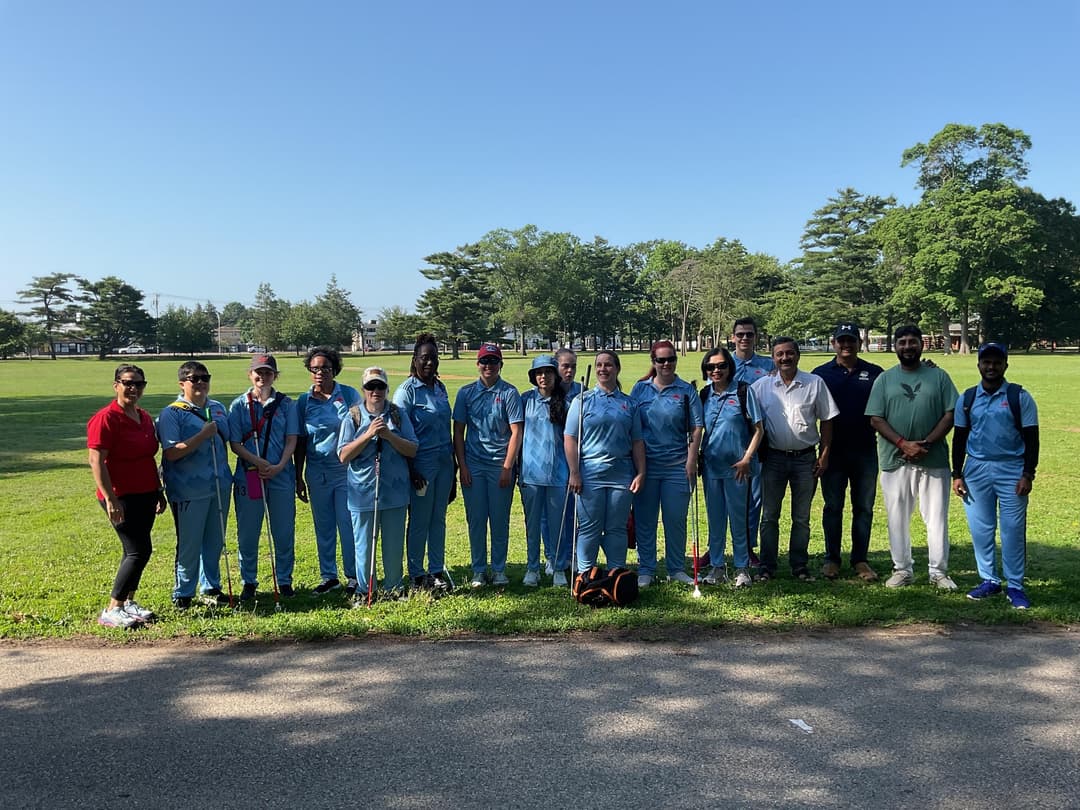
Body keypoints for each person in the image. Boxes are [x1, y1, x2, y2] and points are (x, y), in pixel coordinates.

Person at [866, 325, 959, 590]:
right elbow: (875, 417)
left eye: (912, 342)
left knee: (936, 517)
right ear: (895, 347)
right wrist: (903, 444)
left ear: (921, 345)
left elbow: (950, 413)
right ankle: (902, 569)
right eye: (902, 342)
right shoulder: (885, 379)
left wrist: (926, 443)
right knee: (897, 516)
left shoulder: (938, 376)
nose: (908, 347)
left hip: (933, 459)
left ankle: (938, 572)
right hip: (895, 460)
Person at [952, 342, 1039, 609]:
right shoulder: (967, 398)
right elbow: (959, 438)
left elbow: (1032, 439)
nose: (991, 367)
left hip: (1011, 469)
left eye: (996, 362)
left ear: (1005, 365)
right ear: (978, 364)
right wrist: (957, 474)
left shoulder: (1018, 396)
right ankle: (989, 580)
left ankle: (1015, 585)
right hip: (976, 469)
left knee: (1012, 530)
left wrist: (1028, 474)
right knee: (981, 529)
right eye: (986, 362)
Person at [751, 337, 838, 581]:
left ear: (798, 355)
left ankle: (799, 565)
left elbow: (828, 420)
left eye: (789, 353)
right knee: (769, 515)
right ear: (773, 358)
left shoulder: (814, 383)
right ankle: (767, 566)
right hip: (773, 459)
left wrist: (825, 454)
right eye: (779, 354)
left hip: (805, 459)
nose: (785, 358)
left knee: (801, 516)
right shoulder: (761, 387)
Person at [87, 364, 167, 627]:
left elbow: (148, 457)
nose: (133, 388)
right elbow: (96, 461)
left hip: (146, 492)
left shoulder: (143, 417)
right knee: (138, 550)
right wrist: (110, 499)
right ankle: (113, 608)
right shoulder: (107, 418)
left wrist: (158, 491)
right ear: (116, 385)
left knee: (135, 550)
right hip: (121, 496)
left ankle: (129, 602)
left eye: (139, 384)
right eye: (127, 383)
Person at [811, 324, 884, 582]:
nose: (846, 345)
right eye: (841, 340)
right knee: (833, 507)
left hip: (865, 451)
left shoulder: (875, 373)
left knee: (863, 507)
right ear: (833, 343)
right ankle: (832, 559)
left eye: (851, 340)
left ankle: (860, 560)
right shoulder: (821, 375)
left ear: (859, 343)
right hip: (832, 452)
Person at [157, 361, 233, 608]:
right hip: (188, 488)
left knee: (214, 541)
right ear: (182, 384)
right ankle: (184, 592)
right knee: (189, 543)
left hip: (219, 485)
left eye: (204, 378)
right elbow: (171, 452)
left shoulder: (218, 408)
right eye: (193, 378)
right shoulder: (172, 413)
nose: (200, 382)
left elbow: (228, 441)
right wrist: (201, 435)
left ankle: (211, 586)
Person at [338, 367, 418, 601]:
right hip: (362, 492)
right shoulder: (352, 416)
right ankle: (365, 589)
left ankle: (394, 587)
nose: (376, 391)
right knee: (363, 545)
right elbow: (343, 455)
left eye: (380, 386)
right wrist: (367, 435)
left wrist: (389, 436)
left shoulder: (397, 414)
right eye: (371, 387)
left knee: (393, 545)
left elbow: (412, 449)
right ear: (363, 389)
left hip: (394, 492)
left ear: (387, 388)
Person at [629, 340, 703, 587]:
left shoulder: (686, 391)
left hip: (677, 467)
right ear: (653, 362)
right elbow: (631, 427)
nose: (666, 364)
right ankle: (646, 569)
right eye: (661, 360)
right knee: (645, 520)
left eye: (670, 359)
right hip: (646, 467)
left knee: (675, 519)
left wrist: (691, 461)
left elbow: (696, 427)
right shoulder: (640, 390)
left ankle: (675, 568)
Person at [565, 350, 645, 576]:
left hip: (621, 474)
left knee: (616, 528)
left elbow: (637, 441)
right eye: (599, 365)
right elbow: (570, 438)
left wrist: (641, 472)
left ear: (617, 369)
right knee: (590, 528)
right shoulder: (581, 401)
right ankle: (584, 575)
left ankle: (615, 573)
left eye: (608, 365)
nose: (603, 369)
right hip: (589, 474)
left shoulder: (629, 403)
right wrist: (574, 472)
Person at [229, 354, 300, 600]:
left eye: (268, 372)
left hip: (280, 475)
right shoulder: (239, 405)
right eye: (258, 372)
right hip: (251, 475)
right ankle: (249, 581)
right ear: (250, 375)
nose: (262, 376)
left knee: (283, 530)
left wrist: (279, 465)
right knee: (248, 531)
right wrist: (258, 462)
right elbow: (235, 443)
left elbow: (292, 439)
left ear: (275, 376)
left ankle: (284, 580)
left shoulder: (287, 404)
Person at [453, 343, 524, 587]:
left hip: (499, 466)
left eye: (493, 362)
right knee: (476, 519)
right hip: (473, 465)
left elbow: (516, 432)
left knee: (499, 519)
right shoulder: (465, 393)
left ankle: (499, 569)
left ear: (500, 365)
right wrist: (462, 466)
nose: (488, 366)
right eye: (484, 361)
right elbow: (458, 432)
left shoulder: (509, 393)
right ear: (477, 364)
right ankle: (479, 570)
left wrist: (507, 467)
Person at [295, 346, 361, 597]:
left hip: (345, 472)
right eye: (315, 368)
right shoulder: (304, 401)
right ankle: (328, 577)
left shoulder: (349, 394)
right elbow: (300, 440)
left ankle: (354, 575)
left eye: (325, 367)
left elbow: (360, 429)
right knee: (323, 527)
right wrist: (297, 476)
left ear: (335, 369)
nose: (320, 372)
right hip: (316, 472)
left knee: (347, 524)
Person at [394, 333, 456, 593]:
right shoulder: (406, 392)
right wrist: (411, 470)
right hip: (420, 464)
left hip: (444, 463)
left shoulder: (439, 388)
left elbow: (447, 428)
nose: (429, 363)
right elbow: (398, 436)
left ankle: (436, 569)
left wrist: (453, 471)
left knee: (438, 518)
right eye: (424, 358)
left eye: (433, 358)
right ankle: (418, 574)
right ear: (415, 360)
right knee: (419, 520)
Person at [698, 347, 764, 589]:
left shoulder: (744, 391)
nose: (716, 370)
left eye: (721, 366)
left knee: (739, 519)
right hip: (711, 468)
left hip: (739, 468)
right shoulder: (704, 395)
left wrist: (747, 458)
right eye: (711, 366)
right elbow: (696, 431)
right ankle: (716, 566)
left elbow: (759, 429)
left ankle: (742, 567)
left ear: (730, 367)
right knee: (715, 519)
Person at [519, 355, 571, 586]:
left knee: (557, 525)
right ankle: (533, 568)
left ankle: (559, 567)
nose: (543, 377)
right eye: (539, 373)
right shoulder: (525, 400)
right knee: (532, 525)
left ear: (555, 375)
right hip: (530, 475)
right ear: (533, 376)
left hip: (558, 475)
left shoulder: (566, 403)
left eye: (548, 372)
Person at [731, 317, 775, 567]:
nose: (744, 338)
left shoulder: (768, 365)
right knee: (723, 500)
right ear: (733, 337)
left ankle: (747, 547)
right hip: (729, 440)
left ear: (756, 337)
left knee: (752, 500)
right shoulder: (723, 364)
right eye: (740, 334)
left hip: (757, 442)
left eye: (749, 334)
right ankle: (715, 547)